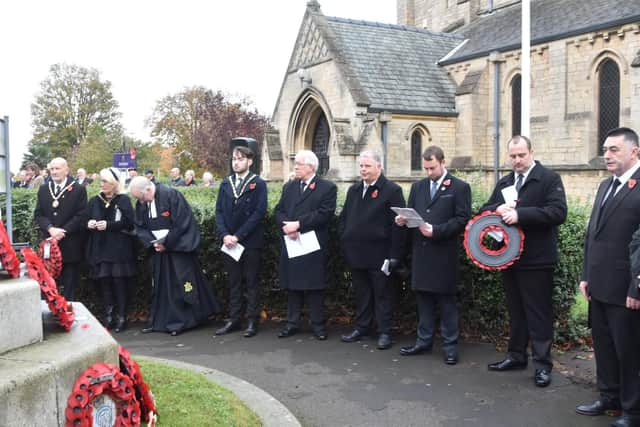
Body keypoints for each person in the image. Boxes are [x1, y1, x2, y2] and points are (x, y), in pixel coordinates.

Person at [480, 135, 567, 387]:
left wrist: (520, 215)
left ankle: (542, 366)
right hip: (509, 258)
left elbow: (558, 212)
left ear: (531, 152)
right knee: (516, 311)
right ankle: (516, 356)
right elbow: (485, 208)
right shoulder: (505, 181)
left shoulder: (549, 179)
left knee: (538, 313)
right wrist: (496, 209)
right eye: (513, 156)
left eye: (521, 155)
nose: (517, 160)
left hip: (537, 259)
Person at [577, 127, 640, 427]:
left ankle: (632, 408)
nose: (607, 154)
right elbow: (593, 234)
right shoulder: (605, 185)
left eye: (614, 149)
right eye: (605, 149)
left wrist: (637, 287)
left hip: (626, 289)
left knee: (629, 351)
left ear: (634, 151)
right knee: (603, 345)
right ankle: (609, 397)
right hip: (599, 284)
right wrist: (585, 274)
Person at [395, 146, 471, 364]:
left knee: (447, 304)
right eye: (426, 168)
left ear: (443, 163)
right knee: (424, 301)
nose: (429, 172)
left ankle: (450, 346)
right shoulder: (418, 187)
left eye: (432, 168)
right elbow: (413, 214)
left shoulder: (459, 187)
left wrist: (436, 230)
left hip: (444, 254)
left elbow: (462, 219)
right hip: (421, 254)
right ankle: (423, 341)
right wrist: (403, 220)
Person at [129, 176, 220, 336]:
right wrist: (152, 242)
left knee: (181, 285)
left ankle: (184, 321)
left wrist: (167, 242)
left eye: (142, 198)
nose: (141, 202)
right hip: (158, 250)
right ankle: (159, 322)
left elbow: (182, 223)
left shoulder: (172, 195)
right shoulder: (142, 202)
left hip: (177, 249)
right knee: (160, 286)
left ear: (149, 189)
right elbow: (139, 226)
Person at [338, 150, 406, 350]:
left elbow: (398, 226)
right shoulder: (354, 190)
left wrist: (395, 256)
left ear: (379, 166)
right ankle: (362, 328)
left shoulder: (392, 190)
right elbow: (344, 217)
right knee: (362, 294)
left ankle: (385, 332)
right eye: (361, 166)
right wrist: (345, 237)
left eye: (367, 166)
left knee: (383, 295)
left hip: (380, 254)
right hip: (356, 253)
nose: (363, 170)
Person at [274, 150, 337, 340]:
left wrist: (299, 224)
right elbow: (279, 210)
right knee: (292, 285)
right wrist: (286, 226)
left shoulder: (327, 187)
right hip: (292, 241)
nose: (295, 167)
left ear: (311, 166)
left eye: (299, 164)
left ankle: (317, 324)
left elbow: (325, 213)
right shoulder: (290, 187)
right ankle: (292, 323)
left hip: (313, 244)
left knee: (314, 286)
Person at [214, 146, 267, 337]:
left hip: (249, 242)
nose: (236, 162)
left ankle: (252, 320)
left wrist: (238, 236)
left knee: (251, 282)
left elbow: (259, 213)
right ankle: (234, 319)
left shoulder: (258, 183)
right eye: (234, 159)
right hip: (229, 242)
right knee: (234, 282)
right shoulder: (226, 183)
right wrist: (225, 235)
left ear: (250, 161)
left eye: (241, 159)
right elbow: (219, 211)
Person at [85, 168, 137, 333]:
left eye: (105, 181)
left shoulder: (123, 200)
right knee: (104, 281)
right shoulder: (94, 200)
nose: (102, 184)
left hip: (118, 248)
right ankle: (108, 314)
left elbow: (130, 222)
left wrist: (109, 225)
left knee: (118, 281)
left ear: (114, 183)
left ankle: (121, 316)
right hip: (100, 246)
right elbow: (85, 218)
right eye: (101, 181)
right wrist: (90, 223)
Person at [34, 157, 88, 300]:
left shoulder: (78, 189)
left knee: (69, 286)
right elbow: (38, 214)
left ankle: (68, 317)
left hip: (70, 245)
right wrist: (50, 228)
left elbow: (81, 215)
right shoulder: (44, 189)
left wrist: (63, 231)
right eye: (52, 169)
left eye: (57, 168)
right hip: (49, 246)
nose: (54, 172)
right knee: (48, 287)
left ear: (66, 170)